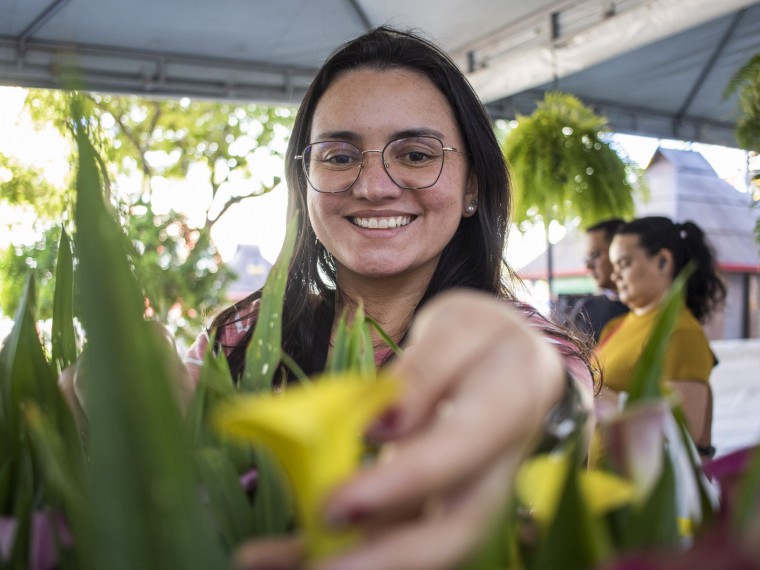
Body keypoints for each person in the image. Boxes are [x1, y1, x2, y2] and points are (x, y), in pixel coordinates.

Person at [185, 26, 595, 570]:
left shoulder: (521, 346)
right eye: (338, 155)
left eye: (417, 154)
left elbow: (545, 386)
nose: (374, 185)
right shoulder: (242, 336)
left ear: (473, 187)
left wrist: (552, 399)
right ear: (303, 183)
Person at [597, 216, 725, 459]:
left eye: (624, 264)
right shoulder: (616, 325)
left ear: (663, 262)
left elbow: (683, 434)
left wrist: (602, 399)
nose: (615, 276)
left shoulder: (681, 333)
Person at [567, 218, 629, 342]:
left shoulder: (647, 310)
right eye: (588, 257)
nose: (588, 266)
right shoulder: (585, 309)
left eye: (595, 255)